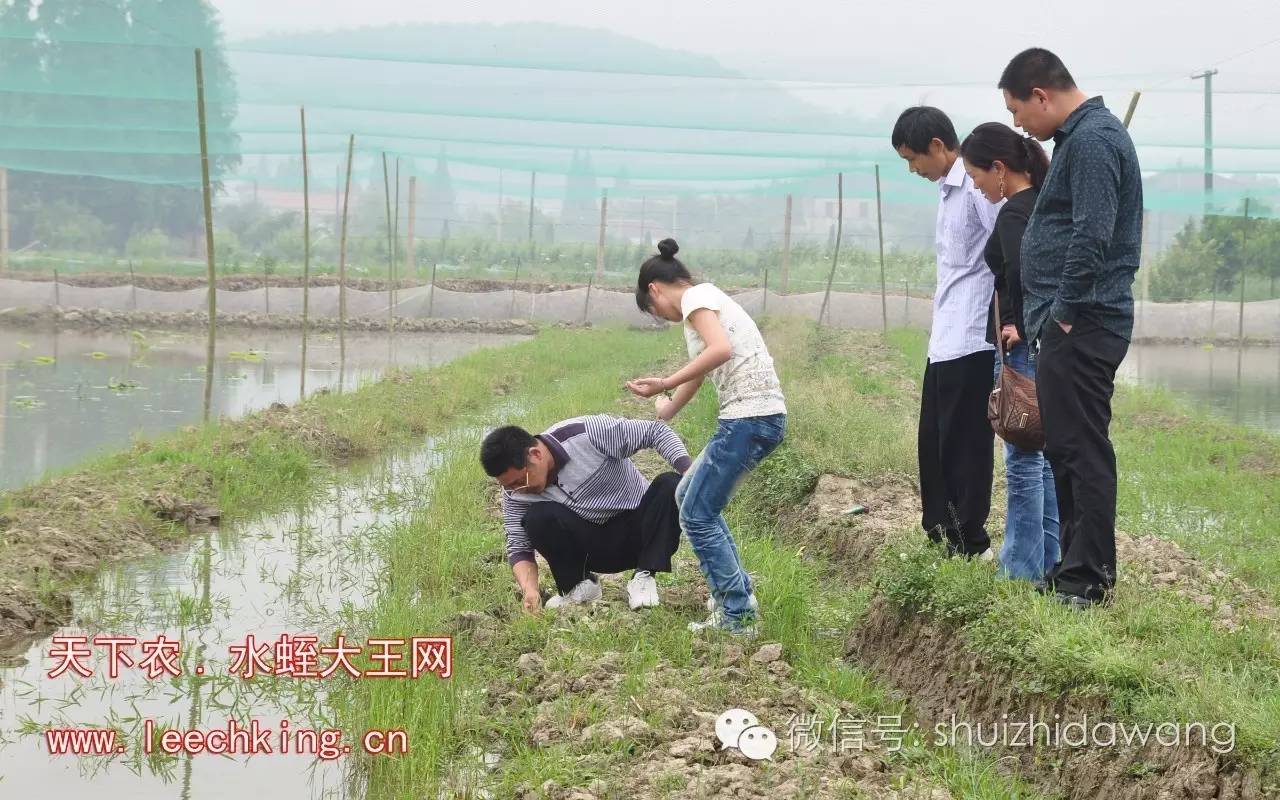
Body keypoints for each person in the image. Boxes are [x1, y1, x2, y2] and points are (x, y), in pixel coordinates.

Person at [999, 48, 1142, 608]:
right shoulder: (1077, 141)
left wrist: (1061, 310)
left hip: (1082, 323)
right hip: (1069, 323)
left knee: (1082, 447)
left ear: (1041, 95)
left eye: (1017, 110)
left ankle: (1090, 578)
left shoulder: (1092, 141)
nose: (1018, 125)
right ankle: (1071, 570)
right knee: (1064, 445)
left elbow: (1093, 233)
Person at [626, 238, 785, 636]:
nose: (663, 318)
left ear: (655, 289)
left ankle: (738, 616)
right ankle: (738, 600)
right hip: (749, 417)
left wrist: (663, 380)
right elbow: (701, 369)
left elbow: (721, 350)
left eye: (655, 312)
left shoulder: (697, 297)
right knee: (687, 500)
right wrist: (667, 408)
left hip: (751, 417)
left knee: (697, 514)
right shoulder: (703, 303)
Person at [891, 106, 1000, 560]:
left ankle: (969, 541)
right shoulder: (946, 192)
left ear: (937, 146)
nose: (913, 169)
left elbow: (1007, 246)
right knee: (934, 442)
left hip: (974, 336)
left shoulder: (975, 187)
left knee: (966, 446)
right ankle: (941, 534)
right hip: (946, 340)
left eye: (913, 159)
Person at [960, 121, 1061, 584]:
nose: (977, 187)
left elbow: (1024, 269)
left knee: (1022, 455)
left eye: (978, 176)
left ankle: (1019, 570)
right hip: (1046, 343)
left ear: (999, 168)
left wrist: (1016, 321)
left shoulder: (1016, 212)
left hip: (1020, 346)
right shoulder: (1043, 203)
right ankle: (1047, 561)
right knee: (1044, 455)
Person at [480, 414, 692, 613]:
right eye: (510, 487)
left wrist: (689, 474)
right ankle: (579, 587)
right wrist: (530, 590)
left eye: (520, 481)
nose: (519, 490)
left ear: (535, 454)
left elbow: (655, 431)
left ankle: (644, 577)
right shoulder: (515, 493)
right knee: (537, 517)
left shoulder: (587, 434)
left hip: (641, 532)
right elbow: (518, 546)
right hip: (592, 548)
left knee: (671, 484)